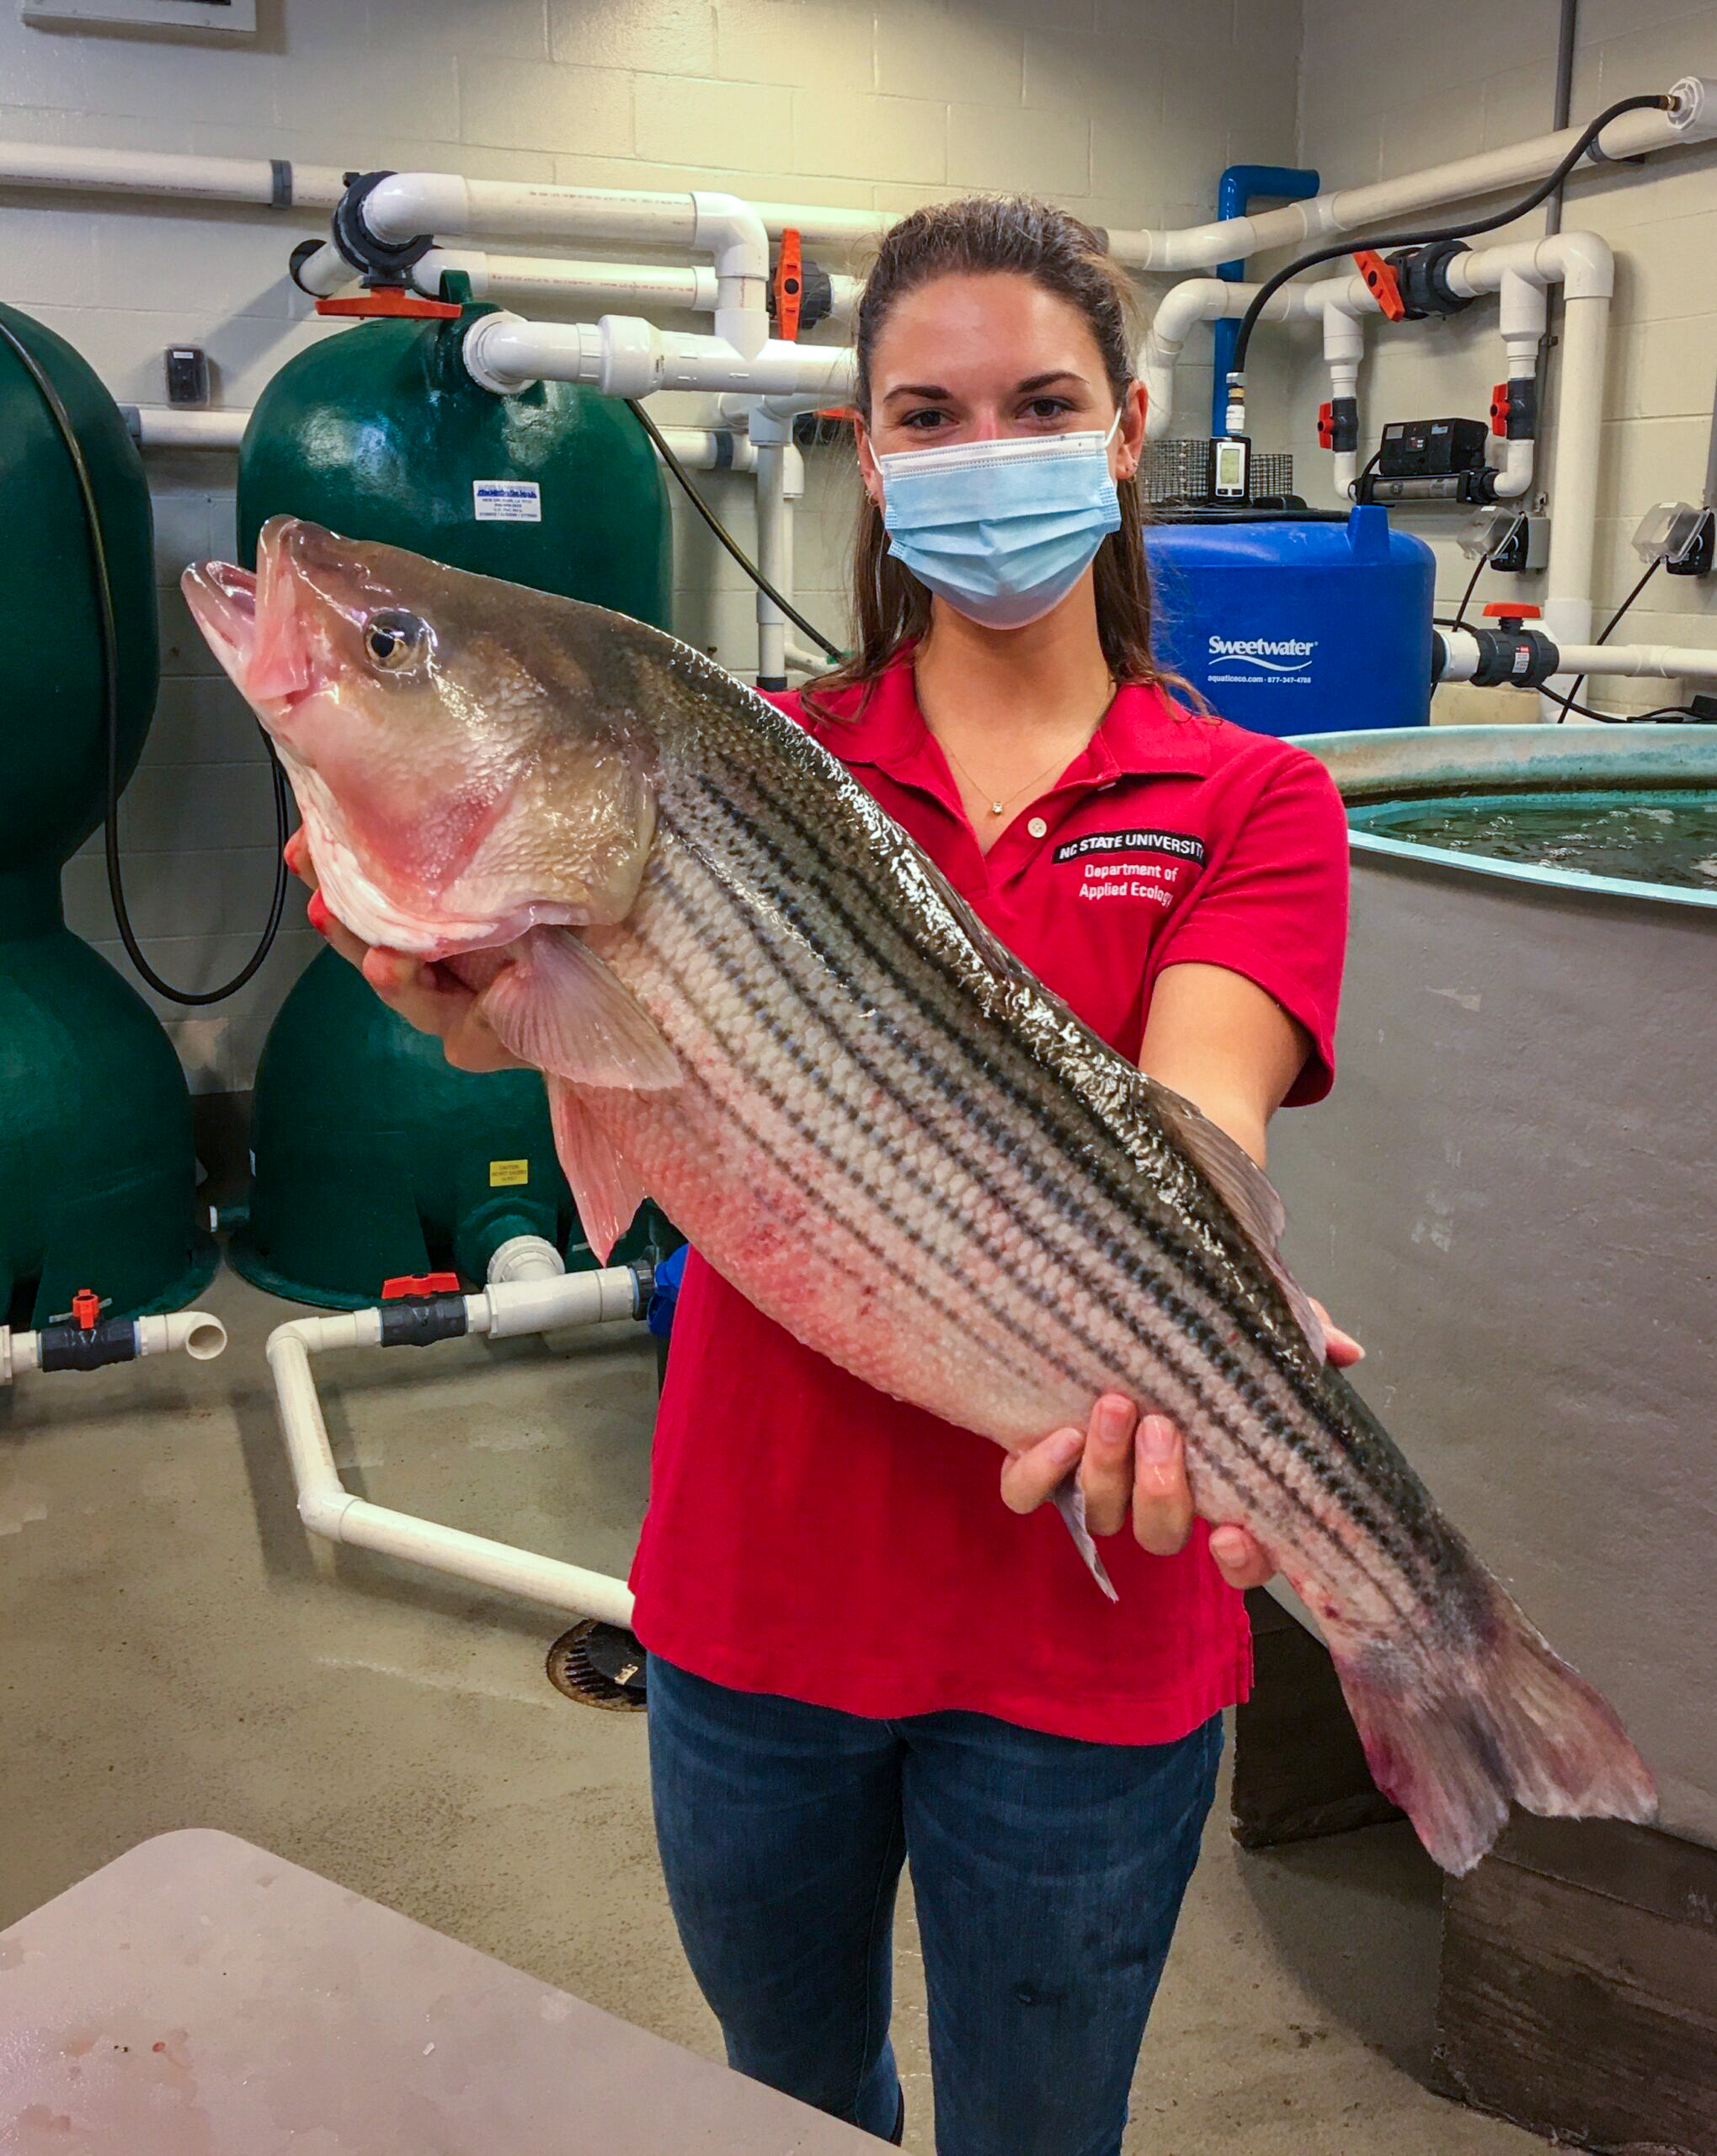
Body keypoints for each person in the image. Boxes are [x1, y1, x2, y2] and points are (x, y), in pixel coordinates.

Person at [293, 195, 1358, 2156]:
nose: (984, 455)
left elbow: (1204, 1113)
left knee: (1038, 2131)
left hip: (1085, 1630)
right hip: (751, 1611)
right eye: (928, 416)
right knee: (788, 2099)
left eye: (1039, 403)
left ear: (1128, 431)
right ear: (868, 459)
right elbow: (554, 1032)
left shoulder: (1250, 796)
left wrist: (1227, 1323)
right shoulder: (756, 759)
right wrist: (445, 985)